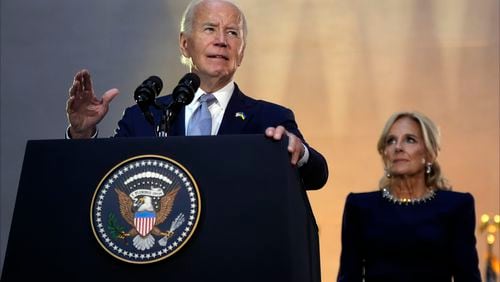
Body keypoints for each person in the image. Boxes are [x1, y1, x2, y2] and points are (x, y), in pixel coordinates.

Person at [65, 0, 328, 190]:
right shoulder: (143, 116)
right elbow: (103, 180)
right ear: (184, 43)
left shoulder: (270, 118)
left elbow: (317, 176)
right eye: (210, 29)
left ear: (242, 52)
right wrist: (81, 135)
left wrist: (299, 150)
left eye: (232, 33)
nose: (222, 40)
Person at [337, 111, 481, 281]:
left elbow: (467, 277)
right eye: (391, 141)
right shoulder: (360, 207)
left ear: (429, 154)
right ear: (385, 153)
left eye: (410, 139)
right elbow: (349, 276)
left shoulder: (456, 207)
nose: (398, 147)